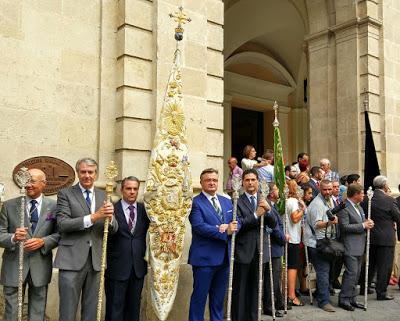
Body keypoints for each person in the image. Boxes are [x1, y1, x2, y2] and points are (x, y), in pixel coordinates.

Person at [54, 158, 118, 321]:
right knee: (67, 311)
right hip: (71, 260)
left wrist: (110, 219)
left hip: (96, 261)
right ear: (77, 173)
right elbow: (62, 224)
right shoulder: (65, 194)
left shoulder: (105, 195)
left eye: (90, 172)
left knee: (91, 312)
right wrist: (95, 216)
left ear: (96, 174)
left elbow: (114, 228)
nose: (87, 175)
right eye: (83, 172)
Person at [0, 168, 59, 321]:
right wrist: (13, 237)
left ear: (44, 183)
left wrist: (43, 241)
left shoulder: (54, 207)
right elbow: (0, 234)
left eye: (32, 181)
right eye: (26, 181)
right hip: (14, 266)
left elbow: (60, 234)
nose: (28, 185)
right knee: (12, 311)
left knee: (37, 310)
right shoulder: (9, 205)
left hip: (40, 266)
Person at [188, 168, 238, 321]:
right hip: (204, 260)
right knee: (199, 299)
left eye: (214, 180)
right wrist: (222, 230)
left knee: (218, 301)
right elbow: (199, 226)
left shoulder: (227, 201)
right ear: (201, 182)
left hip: (224, 259)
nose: (211, 182)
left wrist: (233, 227)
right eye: (208, 180)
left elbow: (237, 221)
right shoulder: (195, 203)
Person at [232, 169, 276, 321]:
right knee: (240, 289)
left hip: (260, 251)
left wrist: (268, 211)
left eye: (253, 180)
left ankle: (253, 318)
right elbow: (239, 224)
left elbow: (274, 223)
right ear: (243, 183)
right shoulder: (237, 200)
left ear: (258, 182)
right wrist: (256, 214)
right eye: (247, 180)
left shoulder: (264, 199)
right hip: (243, 251)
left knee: (256, 289)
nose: (250, 183)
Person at [105, 176, 150, 321]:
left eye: (135, 189)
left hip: (137, 268)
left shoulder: (145, 210)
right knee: (114, 308)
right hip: (117, 267)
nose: (132, 192)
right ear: (121, 190)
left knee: (134, 308)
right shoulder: (112, 209)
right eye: (128, 188)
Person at [360, 175, 400, 300]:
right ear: (385, 185)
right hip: (386, 238)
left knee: (369, 263)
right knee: (384, 265)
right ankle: (381, 292)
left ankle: (364, 287)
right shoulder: (389, 200)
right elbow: (398, 217)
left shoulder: (365, 199)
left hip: (370, 236)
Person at [337, 183, 374, 311]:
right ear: (356, 194)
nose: (363, 195)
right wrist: (363, 226)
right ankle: (344, 298)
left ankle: (352, 298)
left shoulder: (359, 207)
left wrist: (368, 223)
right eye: (362, 193)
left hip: (359, 245)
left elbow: (362, 222)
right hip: (350, 245)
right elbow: (344, 227)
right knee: (351, 273)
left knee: (357, 274)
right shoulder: (344, 208)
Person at [304, 180, 337, 312]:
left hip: (325, 241)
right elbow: (317, 225)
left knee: (326, 271)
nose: (328, 192)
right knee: (323, 271)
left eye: (330, 189)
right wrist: (330, 223)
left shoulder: (329, 200)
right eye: (325, 190)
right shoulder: (317, 204)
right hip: (317, 243)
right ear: (319, 188)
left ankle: (320, 295)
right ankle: (324, 302)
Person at [263, 183, 288, 317]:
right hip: (272, 247)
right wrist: (283, 238)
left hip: (276, 247)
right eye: (277, 190)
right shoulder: (267, 206)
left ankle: (278, 302)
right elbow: (274, 228)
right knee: (271, 279)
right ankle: (269, 306)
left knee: (275, 278)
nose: (279, 193)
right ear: (271, 193)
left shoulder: (273, 205)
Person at [285, 180, 306, 307]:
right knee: (292, 267)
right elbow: (294, 218)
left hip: (290, 236)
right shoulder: (292, 201)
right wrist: (303, 210)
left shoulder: (285, 201)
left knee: (290, 266)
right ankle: (291, 295)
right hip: (292, 237)